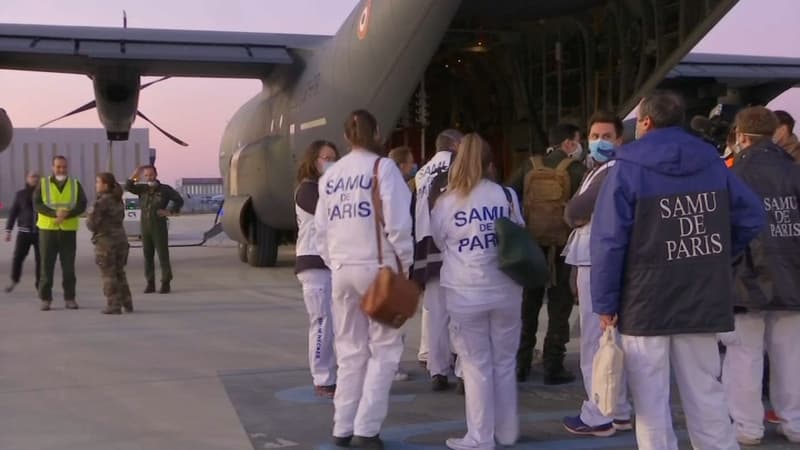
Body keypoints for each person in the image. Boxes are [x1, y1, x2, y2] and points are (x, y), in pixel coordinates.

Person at [591, 90, 765, 450]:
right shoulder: (713, 161)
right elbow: (751, 217)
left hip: (644, 298)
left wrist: (605, 302)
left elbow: (609, 241)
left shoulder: (626, 167)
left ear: (646, 122)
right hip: (701, 293)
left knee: (651, 405)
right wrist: (718, 256)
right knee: (707, 394)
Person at [314, 109, 413, 449]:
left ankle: (341, 426)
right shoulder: (382, 168)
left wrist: (336, 263)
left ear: (345, 137)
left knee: (349, 351)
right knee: (384, 350)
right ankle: (366, 429)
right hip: (378, 269)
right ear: (378, 132)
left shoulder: (331, 175)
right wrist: (405, 267)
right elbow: (399, 225)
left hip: (341, 271)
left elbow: (320, 231)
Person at [431, 133, 524, 450]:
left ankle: (480, 436)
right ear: (490, 162)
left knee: (476, 366)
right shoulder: (506, 195)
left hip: (465, 290)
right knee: (505, 361)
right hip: (507, 287)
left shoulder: (445, 202)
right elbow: (519, 235)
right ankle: (507, 432)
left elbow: (440, 242)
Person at [722, 106, 800, 445]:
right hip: (792, 274)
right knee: (791, 354)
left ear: (740, 136)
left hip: (745, 275)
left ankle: (747, 427)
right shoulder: (795, 172)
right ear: (775, 133)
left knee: (744, 355)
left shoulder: (732, 174)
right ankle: (794, 421)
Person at [561, 111, 633, 436]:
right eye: (593, 135)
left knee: (595, 340)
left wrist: (576, 214)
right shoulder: (600, 169)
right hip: (596, 256)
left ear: (620, 139)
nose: (598, 142)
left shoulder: (611, 170)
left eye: (606, 136)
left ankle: (598, 413)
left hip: (596, 258)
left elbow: (574, 210)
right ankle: (617, 409)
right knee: (608, 340)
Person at [508, 122, 586, 384]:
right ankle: (553, 365)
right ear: (568, 144)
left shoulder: (530, 165)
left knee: (528, 305)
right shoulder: (575, 169)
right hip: (562, 248)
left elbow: (509, 193)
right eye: (577, 140)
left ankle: (521, 363)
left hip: (531, 248)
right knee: (559, 306)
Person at [412, 129, 464, 391]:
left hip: (425, 244)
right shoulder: (458, 165)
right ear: (456, 144)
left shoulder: (422, 172)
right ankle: (463, 369)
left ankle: (437, 370)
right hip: (452, 241)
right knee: (461, 309)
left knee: (435, 312)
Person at [295, 140, 340, 398]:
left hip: (331, 263)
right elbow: (333, 215)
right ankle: (323, 377)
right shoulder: (308, 190)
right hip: (313, 263)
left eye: (334, 157)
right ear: (313, 161)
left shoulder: (327, 188)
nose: (330, 162)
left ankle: (334, 373)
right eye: (325, 157)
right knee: (321, 321)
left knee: (336, 323)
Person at [34, 155, 87, 311]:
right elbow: (37, 204)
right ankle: (45, 299)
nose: (61, 169)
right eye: (58, 167)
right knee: (46, 267)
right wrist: (54, 213)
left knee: (69, 268)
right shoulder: (43, 184)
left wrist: (67, 214)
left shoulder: (75, 184)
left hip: (68, 231)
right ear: (52, 167)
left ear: (67, 167)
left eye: (64, 166)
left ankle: (70, 298)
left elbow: (82, 204)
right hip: (47, 230)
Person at [125, 165, 184, 294]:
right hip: (145, 225)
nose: (148, 178)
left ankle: (165, 282)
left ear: (156, 174)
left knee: (163, 255)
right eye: (146, 175)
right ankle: (150, 283)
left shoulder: (165, 189)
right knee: (147, 255)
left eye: (150, 175)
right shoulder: (142, 188)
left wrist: (170, 211)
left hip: (159, 225)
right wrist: (135, 174)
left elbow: (179, 200)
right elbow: (128, 186)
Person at [87, 173, 133, 315]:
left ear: (105, 185)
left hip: (106, 242)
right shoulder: (118, 199)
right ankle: (127, 302)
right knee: (120, 272)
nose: (96, 185)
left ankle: (113, 304)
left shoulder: (101, 202)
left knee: (109, 275)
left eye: (98, 182)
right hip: (121, 240)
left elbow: (91, 224)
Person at [5, 171, 41, 293]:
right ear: (27, 179)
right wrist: (8, 230)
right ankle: (14, 280)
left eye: (37, 177)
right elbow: (13, 213)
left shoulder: (44, 194)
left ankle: (40, 285)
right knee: (18, 257)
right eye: (32, 177)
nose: (35, 179)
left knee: (41, 260)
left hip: (40, 233)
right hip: (23, 232)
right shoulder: (20, 195)